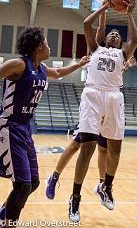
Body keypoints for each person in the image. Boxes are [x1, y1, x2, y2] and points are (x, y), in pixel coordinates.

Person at [0, 27, 90, 227]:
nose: (50, 47)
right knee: (22, 185)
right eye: (47, 43)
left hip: (25, 128)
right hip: (9, 126)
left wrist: (80, 64)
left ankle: (5, 212)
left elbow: (57, 73)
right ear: (39, 45)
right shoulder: (18, 64)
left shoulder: (40, 68)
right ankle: (8, 223)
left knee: (33, 183)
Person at [68, 0, 137, 223]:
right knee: (87, 148)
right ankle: (75, 197)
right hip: (93, 94)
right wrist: (104, 8)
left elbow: (134, 40)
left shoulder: (122, 54)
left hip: (114, 97)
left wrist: (129, 14)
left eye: (118, 35)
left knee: (114, 149)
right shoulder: (95, 48)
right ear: (104, 37)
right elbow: (87, 24)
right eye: (111, 33)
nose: (115, 35)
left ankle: (106, 186)